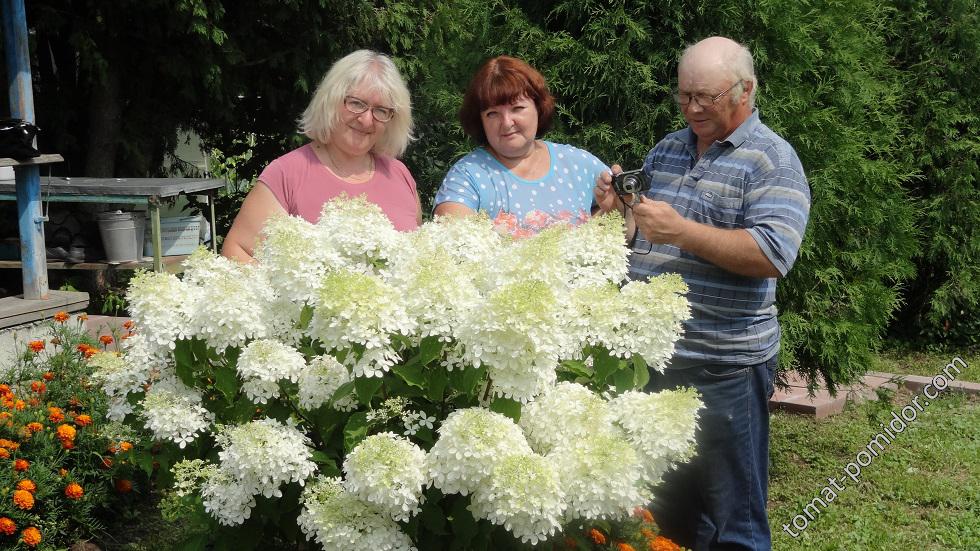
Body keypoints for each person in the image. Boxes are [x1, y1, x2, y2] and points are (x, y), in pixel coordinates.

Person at [595, 37, 811, 550]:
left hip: (724, 368)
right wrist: (613, 211)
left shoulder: (773, 160)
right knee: (666, 519)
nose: (692, 108)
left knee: (734, 523)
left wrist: (684, 231)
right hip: (655, 362)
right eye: (684, 95)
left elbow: (773, 255)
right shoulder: (668, 147)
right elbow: (637, 237)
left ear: (745, 91)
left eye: (706, 97)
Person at [222, 50, 421, 262]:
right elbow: (238, 251)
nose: (366, 120)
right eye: (356, 103)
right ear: (331, 101)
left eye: (380, 110)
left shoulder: (399, 174)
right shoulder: (287, 174)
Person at [433, 56, 607, 236]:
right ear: (480, 121)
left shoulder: (578, 164)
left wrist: (615, 210)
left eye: (517, 108)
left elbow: (624, 226)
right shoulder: (468, 176)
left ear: (538, 108)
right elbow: (451, 246)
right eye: (492, 114)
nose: (507, 123)